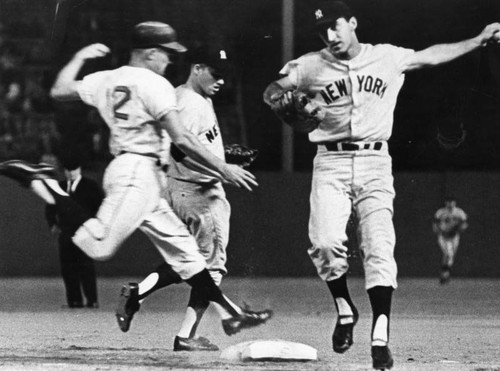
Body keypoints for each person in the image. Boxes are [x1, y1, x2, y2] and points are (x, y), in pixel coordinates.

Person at [262, 1, 500, 369]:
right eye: (322, 30)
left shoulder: (386, 57)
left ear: (353, 23)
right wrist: (281, 100)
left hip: (375, 161)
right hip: (330, 161)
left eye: (335, 26)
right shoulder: (309, 64)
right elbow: (273, 88)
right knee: (324, 243)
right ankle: (344, 308)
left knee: (378, 245)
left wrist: (478, 39)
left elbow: (431, 56)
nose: (329, 35)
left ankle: (380, 335)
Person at [0, 21, 271, 336]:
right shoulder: (156, 84)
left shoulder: (109, 78)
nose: (169, 60)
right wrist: (224, 168)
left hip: (142, 174)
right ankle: (45, 184)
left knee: (189, 256)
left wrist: (80, 57)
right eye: (166, 53)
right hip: (137, 172)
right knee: (99, 244)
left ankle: (231, 314)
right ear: (151, 52)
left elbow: (60, 90)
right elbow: (181, 139)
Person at [115, 45, 265, 351]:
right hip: (198, 192)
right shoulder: (192, 102)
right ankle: (186, 335)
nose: (221, 80)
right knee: (211, 267)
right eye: (215, 72)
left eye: (225, 74)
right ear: (197, 67)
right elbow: (179, 150)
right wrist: (223, 167)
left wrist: (223, 153)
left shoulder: (184, 95)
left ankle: (137, 294)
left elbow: (189, 144)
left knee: (187, 259)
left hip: (178, 187)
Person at [46, 156, 104, 308]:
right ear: (64, 171)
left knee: (86, 266)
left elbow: (101, 206)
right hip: (66, 232)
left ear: (79, 169)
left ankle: (92, 300)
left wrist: (96, 224)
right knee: (68, 268)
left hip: (85, 232)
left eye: (73, 169)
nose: (70, 173)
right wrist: (53, 223)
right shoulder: (59, 187)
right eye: (68, 170)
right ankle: (74, 300)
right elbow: (50, 206)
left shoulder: (90, 187)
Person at [432, 197, 468, 284]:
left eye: (452, 202)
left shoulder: (459, 212)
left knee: (450, 257)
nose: (450, 204)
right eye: (448, 202)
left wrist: (458, 228)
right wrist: (440, 229)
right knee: (448, 254)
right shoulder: (441, 212)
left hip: (454, 236)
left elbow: (464, 224)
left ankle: (445, 275)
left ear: (455, 203)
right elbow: (435, 225)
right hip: (443, 237)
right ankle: (445, 274)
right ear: (445, 203)